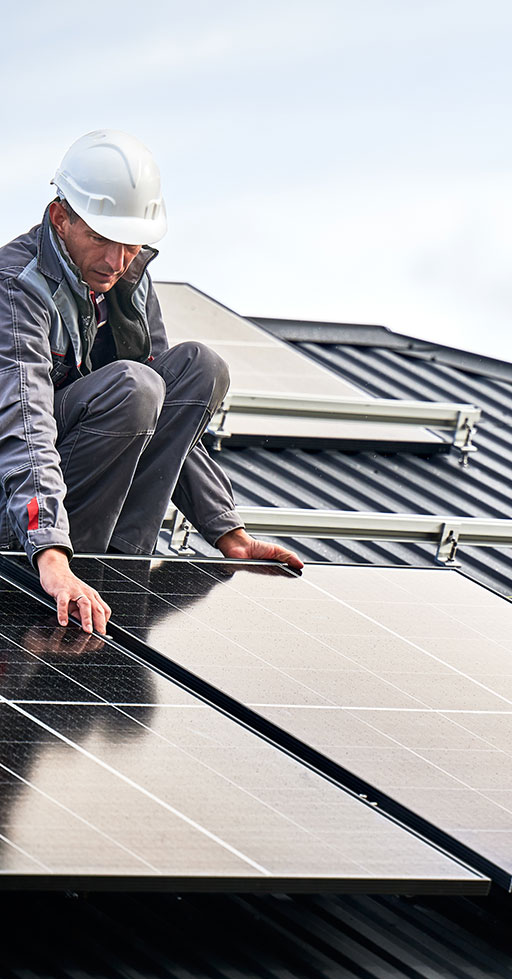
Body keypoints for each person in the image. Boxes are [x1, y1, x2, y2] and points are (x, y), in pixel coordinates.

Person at [0, 130, 300, 635]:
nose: (116, 261)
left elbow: (169, 413)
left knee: (199, 368)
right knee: (133, 386)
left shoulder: (127, 278)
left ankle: (120, 565)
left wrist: (227, 530)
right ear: (61, 218)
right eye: (100, 238)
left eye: (130, 242)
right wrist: (48, 551)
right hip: (20, 514)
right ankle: (80, 562)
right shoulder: (16, 288)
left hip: (90, 511)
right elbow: (23, 423)